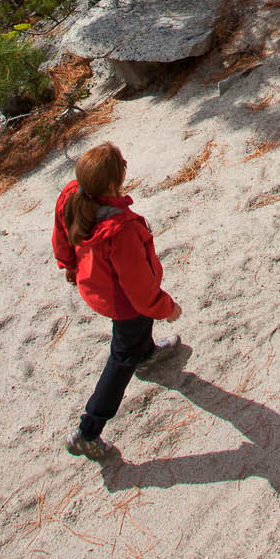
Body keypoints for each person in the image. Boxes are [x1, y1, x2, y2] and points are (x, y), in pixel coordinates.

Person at [52, 141, 183, 461]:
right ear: (113, 183)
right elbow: (139, 290)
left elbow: (60, 232)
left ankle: (147, 354)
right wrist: (166, 307)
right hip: (123, 301)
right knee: (121, 356)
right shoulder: (121, 229)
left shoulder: (72, 192)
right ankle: (88, 431)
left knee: (135, 336)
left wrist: (69, 265)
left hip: (96, 284)